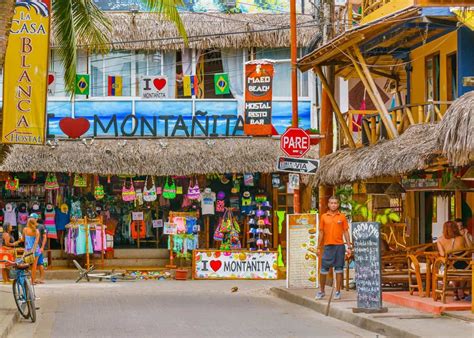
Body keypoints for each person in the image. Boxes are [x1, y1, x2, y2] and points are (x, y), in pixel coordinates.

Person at [316, 196, 352, 300]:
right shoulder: (323, 216)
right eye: (331, 203)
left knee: (339, 270)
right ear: (328, 204)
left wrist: (349, 247)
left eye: (335, 203)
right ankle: (321, 291)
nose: (333, 205)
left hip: (339, 247)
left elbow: (345, 232)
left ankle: (337, 292)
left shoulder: (342, 217)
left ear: (338, 204)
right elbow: (321, 232)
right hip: (327, 247)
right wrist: (318, 247)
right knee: (323, 270)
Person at [436, 221, 468, 300]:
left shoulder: (440, 240)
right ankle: (460, 289)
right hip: (465, 268)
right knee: (458, 266)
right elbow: (468, 250)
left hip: (450, 268)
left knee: (449, 265)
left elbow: (442, 255)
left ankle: (455, 293)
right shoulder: (461, 238)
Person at [21, 216, 41, 284]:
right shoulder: (37, 231)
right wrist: (33, 251)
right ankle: (32, 281)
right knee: (34, 266)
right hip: (36, 250)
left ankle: (25, 280)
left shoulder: (25, 229)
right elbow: (36, 242)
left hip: (27, 250)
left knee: (25, 265)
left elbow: (23, 239)